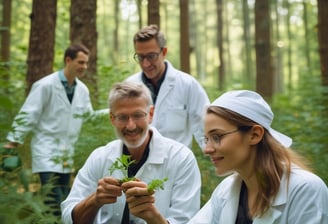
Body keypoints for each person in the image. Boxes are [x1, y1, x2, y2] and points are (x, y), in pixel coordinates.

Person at [61, 81, 201, 224]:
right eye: (122, 117)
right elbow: (68, 218)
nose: (131, 125)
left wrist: (153, 217)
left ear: (151, 114)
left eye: (138, 115)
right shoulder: (100, 157)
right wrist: (95, 200)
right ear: (112, 118)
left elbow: (187, 220)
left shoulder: (181, 159)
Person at [188, 90, 328, 224]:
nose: (207, 149)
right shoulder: (225, 190)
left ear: (255, 135)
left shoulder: (305, 189)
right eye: (206, 139)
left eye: (217, 137)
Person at [4, 44, 95, 215]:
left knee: (65, 199)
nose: (84, 67)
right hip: (45, 150)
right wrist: (12, 142)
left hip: (67, 154)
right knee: (53, 199)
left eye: (86, 63)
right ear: (68, 60)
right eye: (80, 62)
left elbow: (88, 116)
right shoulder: (45, 85)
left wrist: (115, 112)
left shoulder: (82, 90)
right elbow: (28, 113)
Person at [126, 24, 210, 149]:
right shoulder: (129, 86)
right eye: (140, 57)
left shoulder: (187, 85)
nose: (146, 63)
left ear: (164, 52)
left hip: (178, 163)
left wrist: (217, 159)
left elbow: (204, 128)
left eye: (151, 56)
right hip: (140, 164)